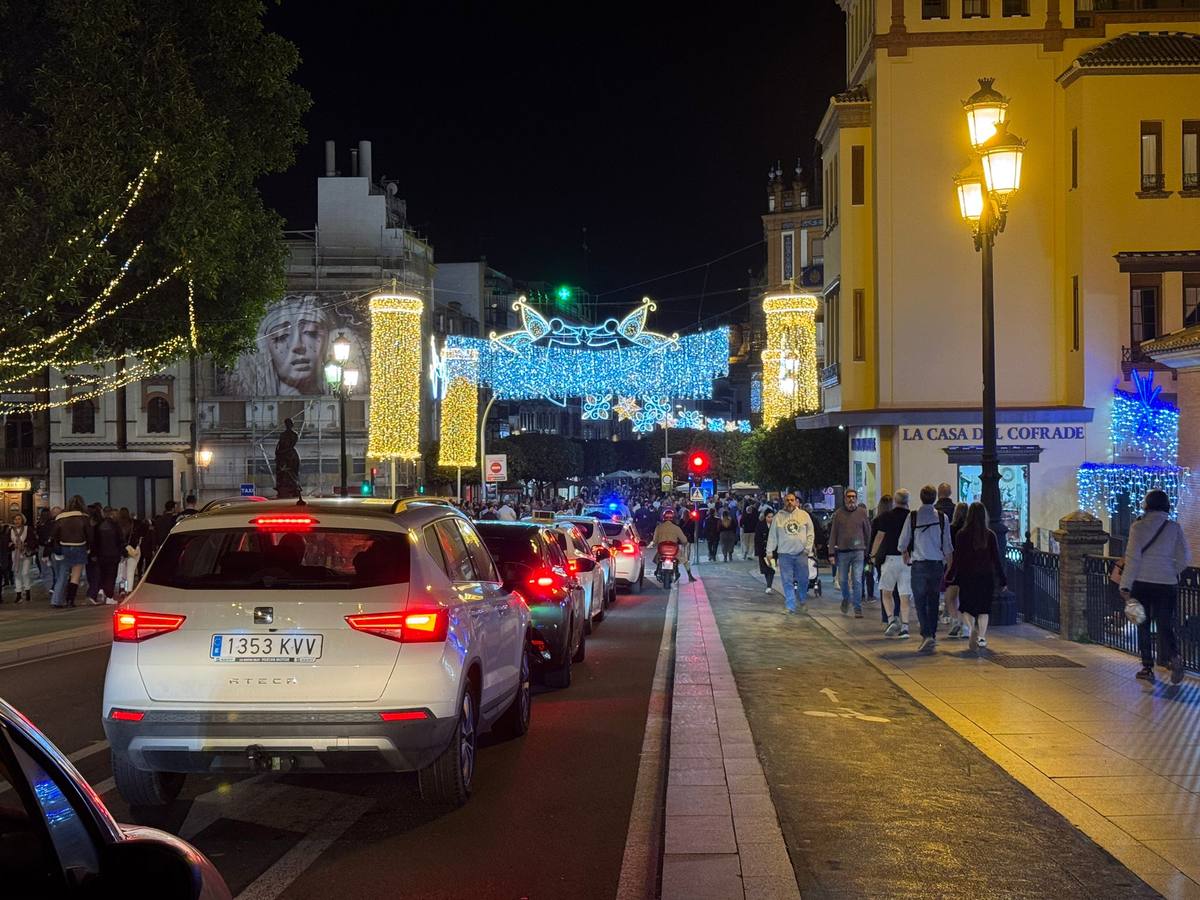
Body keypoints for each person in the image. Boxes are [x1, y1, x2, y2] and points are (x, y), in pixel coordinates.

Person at [1120, 489, 1191, 685]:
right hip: (1167, 582)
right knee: (1165, 623)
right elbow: (1185, 557)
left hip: (1142, 582)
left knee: (1142, 623)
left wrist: (1125, 584)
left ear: (1147, 505)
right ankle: (1174, 656)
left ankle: (1147, 667)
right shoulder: (1173, 528)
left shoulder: (1138, 527)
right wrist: (1170, 569)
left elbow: (1132, 558)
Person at [899, 485, 954, 653]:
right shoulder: (943, 518)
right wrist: (949, 565)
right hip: (937, 564)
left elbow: (902, 542)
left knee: (920, 602)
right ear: (935, 497)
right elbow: (947, 545)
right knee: (934, 599)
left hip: (919, 564)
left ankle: (926, 635)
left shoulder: (913, 516)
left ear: (921, 497)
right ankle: (932, 634)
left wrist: (905, 552)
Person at [946, 502, 1006, 652]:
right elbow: (996, 559)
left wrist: (950, 574)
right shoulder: (990, 535)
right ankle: (982, 637)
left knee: (966, 607)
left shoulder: (962, 535)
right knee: (984, 609)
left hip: (967, 576)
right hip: (986, 576)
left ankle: (971, 627)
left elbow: (957, 558)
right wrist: (1003, 579)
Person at [872, 489, 913, 639]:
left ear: (895, 501)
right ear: (907, 501)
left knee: (886, 592)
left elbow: (879, 537)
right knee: (905, 595)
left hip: (889, 558)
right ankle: (906, 627)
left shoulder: (885, 517)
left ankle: (891, 619)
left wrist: (872, 555)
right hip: (906, 559)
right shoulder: (911, 517)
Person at [766, 492, 815, 614]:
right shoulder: (778, 517)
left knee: (803, 580)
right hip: (784, 555)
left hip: (801, 554)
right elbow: (772, 536)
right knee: (787, 581)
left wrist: (807, 549)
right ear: (784, 501)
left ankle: (802, 599)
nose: (790, 502)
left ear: (796, 501)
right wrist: (769, 552)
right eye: (787, 500)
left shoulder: (804, 515)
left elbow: (810, 533)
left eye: (792, 500)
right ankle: (790, 606)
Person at [828, 488, 871, 617]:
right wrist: (831, 553)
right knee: (842, 580)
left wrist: (868, 552)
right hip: (842, 551)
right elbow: (833, 533)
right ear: (845, 498)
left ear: (856, 498)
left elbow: (868, 532)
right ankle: (846, 599)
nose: (851, 499)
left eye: (853, 496)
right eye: (849, 496)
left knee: (857, 580)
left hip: (859, 551)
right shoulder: (839, 514)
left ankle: (857, 607)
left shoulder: (862, 513)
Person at [50, 496, 94, 608]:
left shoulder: (60, 517)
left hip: (64, 547)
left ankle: (56, 600)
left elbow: (54, 534)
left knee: (62, 575)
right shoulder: (84, 517)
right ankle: (70, 600)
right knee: (75, 576)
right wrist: (89, 548)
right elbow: (90, 535)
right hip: (80, 546)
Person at [870, 495, 897, 625]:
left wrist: (872, 555)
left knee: (885, 588)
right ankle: (896, 613)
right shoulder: (897, 519)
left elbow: (875, 538)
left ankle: (886, 616)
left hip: (882, 557)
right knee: (898, 589)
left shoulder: (877, 520)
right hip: (897, 556)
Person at [945, 502, 970, 638]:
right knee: (964, 598)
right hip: (968, 567)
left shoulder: (951, 529)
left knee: (950, 597)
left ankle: (955, 620)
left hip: (953, 565)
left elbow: (947, 547)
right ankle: (965, 625)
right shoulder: (971, 529)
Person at [650, 507, 694, 582]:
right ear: (673, 518)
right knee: (685, 561)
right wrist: (684, 543)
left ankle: (658, 571)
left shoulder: (659, 527)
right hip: (674, 551)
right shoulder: (676, 528)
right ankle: (690, 576)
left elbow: (655, 540)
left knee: (657, 560)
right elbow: (684, 540)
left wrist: (654, 544)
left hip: (662, 551)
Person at [95, 507, 124, 605]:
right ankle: (109, 596)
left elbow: (95, 541)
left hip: (101, 555)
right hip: (113, 555)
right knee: (111, 576)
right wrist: (123, 552)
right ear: (112, 514)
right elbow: (120, 540)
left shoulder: (99, 525)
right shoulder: (115, 526)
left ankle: (101, 591)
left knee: (103, 575)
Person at [7, 513, 36, 604]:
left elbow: (33, 540)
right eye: (15, 519)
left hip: (25, 553)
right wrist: (12, 545)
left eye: (19, 519)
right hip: (15, 554)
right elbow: (7, 542)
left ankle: (27, 590)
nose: (17, 521)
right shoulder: (10, 531)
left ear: (22, 520)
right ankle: (18, 593)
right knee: (17, 573)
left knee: (25, 572)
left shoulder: (28, 529)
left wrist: (26, 545)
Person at [755, 508, 776, 593]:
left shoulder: (776, 526)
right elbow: (757, 538)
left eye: (772, 517)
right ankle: (768, 584)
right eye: (769, 517)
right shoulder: (760, 525)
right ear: (765, 517)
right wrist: (757, 551)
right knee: (765, 569)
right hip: (762, 551)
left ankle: (769, 586)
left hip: (773, 551)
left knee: (771, 568)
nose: (770, 519)